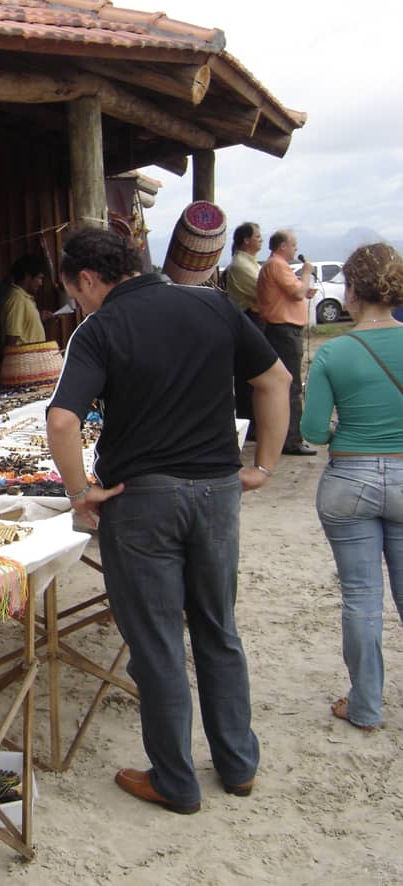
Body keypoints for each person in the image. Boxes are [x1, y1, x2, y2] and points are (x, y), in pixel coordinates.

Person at [47, 228, 291, 815]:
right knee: (218, 630)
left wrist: (81, 492)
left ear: (86, 279)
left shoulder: (99, 328)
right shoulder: (212, 304)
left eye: (75, 293)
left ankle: (175, 780)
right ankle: (238, 766)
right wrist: (263, 465)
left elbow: (61, 422)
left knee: (156, 644)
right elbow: (275, 380)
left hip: (140, 500)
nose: (78, 304)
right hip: (215, 492)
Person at [301, 243, 403, 731]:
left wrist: (347, 431)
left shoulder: (334, 353)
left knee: (362, 598)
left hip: (350, 480)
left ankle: (365, 705)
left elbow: (314, 431)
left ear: (352, 291)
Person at [257, 230, 317, 455]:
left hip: (281, 330)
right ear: (282, 246)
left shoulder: (274, 266)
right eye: (293, 245)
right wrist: (307, 273)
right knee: (291, 386)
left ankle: (287, 437)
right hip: (284, 331)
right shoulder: (278, 265)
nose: (295, 249)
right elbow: (298, 292)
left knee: (285, 384)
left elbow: (294, 292)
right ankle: (292, 439)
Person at [226, 222, 264, 429]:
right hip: (248, 319)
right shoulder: (241, 264)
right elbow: (264, 293)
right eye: (257, 236)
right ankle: (250, 424)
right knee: (251, 377)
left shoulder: (251, 262)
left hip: (254, 318)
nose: (261, 239)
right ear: (246, 240)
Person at [2, 254, 52, 347]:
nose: (41, 283)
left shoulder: (24, 297)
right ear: (28, 277)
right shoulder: (17, 298)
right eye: (39, 278)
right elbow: (11, 339)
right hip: (24, 359)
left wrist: (39, 318)